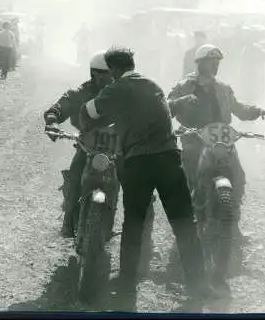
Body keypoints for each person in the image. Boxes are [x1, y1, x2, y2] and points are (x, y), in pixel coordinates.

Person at [80, 47, 217, 309]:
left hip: (138, 163)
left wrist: (94, 122)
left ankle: (126, 288)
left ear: (114, 70)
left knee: (133, 225)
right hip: (169, 160)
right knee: (184, 223)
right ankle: (199, 286)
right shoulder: (152, 84)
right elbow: (164, 109)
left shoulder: (116, 88)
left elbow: (90, 111)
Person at [168, 44, 265, 243]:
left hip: (222, 141)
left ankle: (232, 225)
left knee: (238, 176)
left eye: (217, 63)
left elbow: (238, 108)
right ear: (200, 63)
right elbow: (168, 107)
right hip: (194, 139)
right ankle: (191, 223)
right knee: (189, 176)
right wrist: (183, 101)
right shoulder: (183, 86)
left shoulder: (223, 88)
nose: (215, 66)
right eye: (211, 62)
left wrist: (258, 111)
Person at [44, 51, 114, 237]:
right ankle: (68, 220)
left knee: (139, 184)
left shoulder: (122, 92)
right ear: (96, 74)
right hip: (88, 147)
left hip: (117, 150)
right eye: (109, 73)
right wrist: (52, 121)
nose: (113, 77)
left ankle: (141, 234)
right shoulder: (80, 93)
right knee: (75, 179)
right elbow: (59, 107)